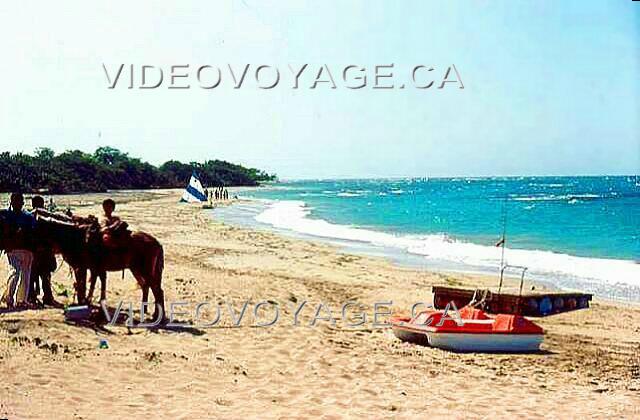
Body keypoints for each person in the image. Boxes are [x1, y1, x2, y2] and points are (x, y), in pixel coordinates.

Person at [0, 193, 35, 308]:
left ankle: (16, 299)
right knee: (19, 273)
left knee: (21, 274)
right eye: (18, 201)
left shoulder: (7, 215)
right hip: (18, 249)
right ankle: (14, 299)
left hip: (20, 249)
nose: (18, 203)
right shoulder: (25, 216)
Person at [28, 195, 58, 306]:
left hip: (38, 251)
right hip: (40, 251)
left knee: (37, 275)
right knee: (43, 275)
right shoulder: (46, 217)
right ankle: (44, 297)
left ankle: (35, 297)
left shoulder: (30, 216)